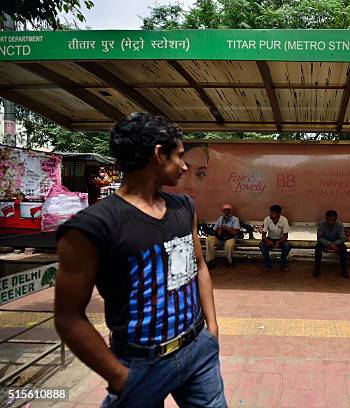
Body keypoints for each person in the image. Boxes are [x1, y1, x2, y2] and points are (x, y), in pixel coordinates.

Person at [54, 113, 225, 408]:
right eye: (180, 157)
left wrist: (211, 330)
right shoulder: (92, 227)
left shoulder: (184, 207)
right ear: (159, 155)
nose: (184, 166)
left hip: (199, 351)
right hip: (139, 364)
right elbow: (68, 317)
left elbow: (199, 266)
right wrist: (120, 377)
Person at [314, 210, 349, 279]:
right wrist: (330, 244)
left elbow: (342, 238)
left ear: (335, 220)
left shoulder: (340, 225)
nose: (329, 222)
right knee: (318, 247)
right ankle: (317, 268)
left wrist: (333, 244)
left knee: (344, 248)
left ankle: (344, 269)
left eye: (332, 220)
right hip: (325, 243)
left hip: (336, 243)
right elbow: (319, 238)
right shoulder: (321, 224)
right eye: (327, 220)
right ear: (325, 218)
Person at [206, 204, 239, 269]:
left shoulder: (235, 219)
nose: (226, 212)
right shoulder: (220, 218)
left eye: (228, 211)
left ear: (231, 211)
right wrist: (218, 230)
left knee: (229, 244)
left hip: (229, 238)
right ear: (223, 212)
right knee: (209, 239)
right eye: (225, 211)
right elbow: (214, 230)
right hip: (220, 238)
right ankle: (210, 261)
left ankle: (229, 261)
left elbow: (235, 232)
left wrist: (226, 228)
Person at [259, 204, 291, 272]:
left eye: (273, 213)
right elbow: (263, 235)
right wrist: (266, 241)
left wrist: (279, 242)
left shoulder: (284, 220)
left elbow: (285, 236)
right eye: (270, 212)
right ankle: (267, 265)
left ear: (279, 214)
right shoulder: (267, 219)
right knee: (262, 245)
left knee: (287, 246)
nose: (270, 214)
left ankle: (283, 265)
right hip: (270, 239)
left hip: (281, 239)